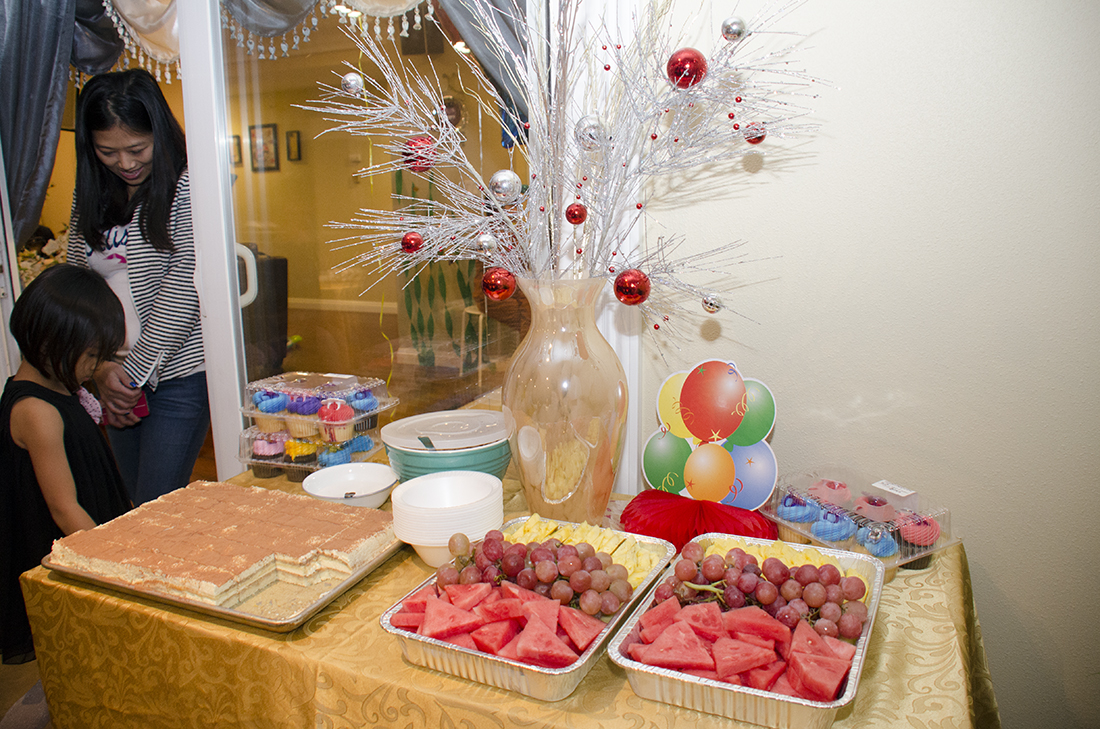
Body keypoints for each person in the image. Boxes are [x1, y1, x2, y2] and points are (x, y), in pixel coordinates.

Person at [66, 68, 208, 506]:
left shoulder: (185, 185)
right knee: (132, 503)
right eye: (108, 151)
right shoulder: (91, 194)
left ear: (159, 135)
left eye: (137, 148)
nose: (125, 163)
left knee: (156, 505)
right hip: (112, 373)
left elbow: (187, 280)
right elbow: (78, 285)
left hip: (177, 374)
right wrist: (100, 368)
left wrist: (130, 372)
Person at [1, 265, 132, 664]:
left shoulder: (58, 387)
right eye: (90, 355)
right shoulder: (36, 410)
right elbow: (63, 507)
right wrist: (112, 561)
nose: (95, 367)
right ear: (50, 342)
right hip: (73, 541)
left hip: (88, 529)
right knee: (72, 640)